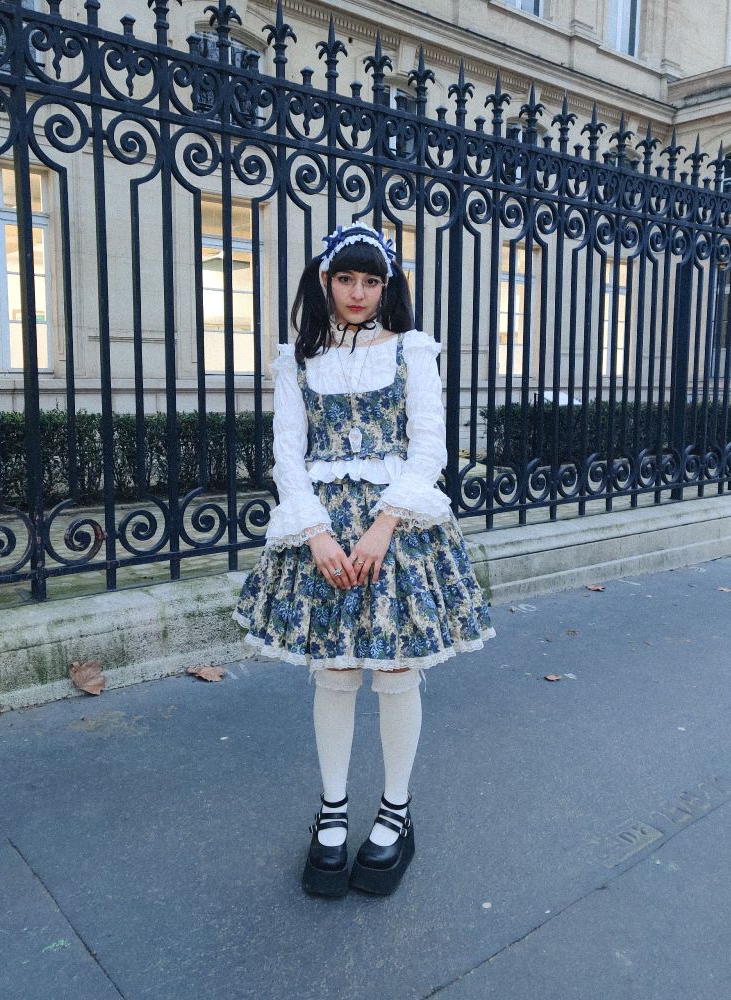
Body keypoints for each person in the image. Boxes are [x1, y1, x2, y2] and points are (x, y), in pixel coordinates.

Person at [232, 222, 495, 897]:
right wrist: (316, 534)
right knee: (337, 671)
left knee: (396, 670)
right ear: (325, 281)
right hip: (322, 531)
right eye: (345, 279)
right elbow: (288, 452)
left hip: (396, 529)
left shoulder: (412, 350)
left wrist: (383, 526)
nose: (357, 292)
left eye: (370, 280)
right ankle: (333, 810)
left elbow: (429, 447)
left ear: (387, 287)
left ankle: (396, 811)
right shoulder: (295, 359)